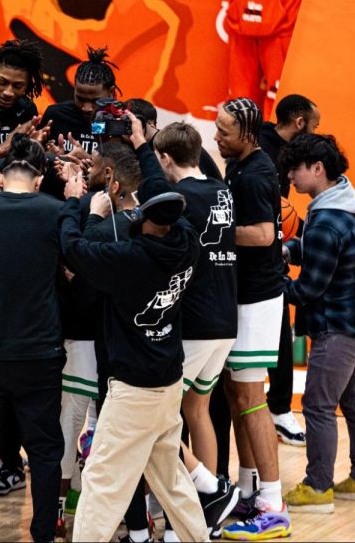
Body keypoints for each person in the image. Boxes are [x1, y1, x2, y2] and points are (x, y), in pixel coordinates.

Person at [58, 159, 210, 543]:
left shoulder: (130, 260)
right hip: (168, 380)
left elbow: (75, 248)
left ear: (144, 219)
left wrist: (78, 206)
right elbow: (166, 210)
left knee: (101, 480)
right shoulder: (187, 242)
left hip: (133, 390)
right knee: (171, 479)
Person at [0, 134, 75, 543]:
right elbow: (73, 265)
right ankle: (42, 534)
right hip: (41, 351)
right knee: (44, 450)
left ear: (2, 178)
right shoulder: (57, 212)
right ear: (39, 181)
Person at [280, 133, 355, 513]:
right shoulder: (345, 195)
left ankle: (318, 487)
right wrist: (289, 250)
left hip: (340, 330)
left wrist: (271, 282)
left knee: (318, 406)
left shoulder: (325, 221)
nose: (290, 176)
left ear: (318, 169)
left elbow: (307, 289)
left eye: (296, 169)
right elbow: (322, 248)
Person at [152, 122, 242, 535]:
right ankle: (213, 502)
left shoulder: (180, 198)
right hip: (225, 318)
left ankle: (200, 499)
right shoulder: (221, 190)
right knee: (197, 410)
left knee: (159, 422)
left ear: (166, 158)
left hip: (195, 324)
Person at [214, 98, 291, 541]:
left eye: (224, 130)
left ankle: (273, 503)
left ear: (247, 132)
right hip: (242, 297)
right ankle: (247, 489)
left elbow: (263, 234)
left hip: (257, 301)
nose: (217, 136)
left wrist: (212, 229)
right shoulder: (240, 165)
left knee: (251, 397)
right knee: (236, 394)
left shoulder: (259, 174)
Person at [256, 92, 320, 448]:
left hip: (272, 249)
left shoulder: (283, 149)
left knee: (282, 330)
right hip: (253, 255)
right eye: (314, 125)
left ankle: (278, 409)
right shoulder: (262, 155)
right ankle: (273, 409)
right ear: (299, 123)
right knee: (275, 328)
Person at [40, 46, 120, 158]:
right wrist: (50, 156)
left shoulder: (121, 124)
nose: (86, 108)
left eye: (95, 101)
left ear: (111, 93)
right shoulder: (55, 115)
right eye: (80, 99)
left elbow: (125, 172)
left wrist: (87, 159)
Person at [129, 97, 224, 181]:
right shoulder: (136, 146)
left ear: (151, 123)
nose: (131, 129)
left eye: (134, 123)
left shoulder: (174, 141)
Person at [0, 38, 44, 145]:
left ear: (27, 86)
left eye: (17, 86)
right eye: (2, 82)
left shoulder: (27, 109)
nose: (8, 92)